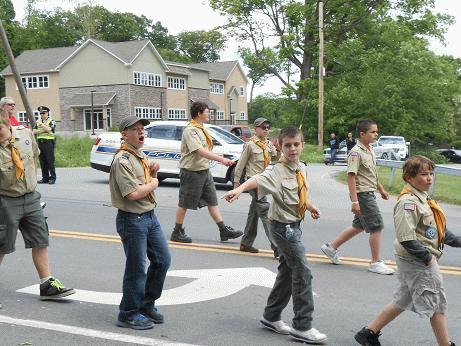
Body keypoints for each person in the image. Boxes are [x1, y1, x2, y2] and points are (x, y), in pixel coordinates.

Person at [223, 126, 327, 344]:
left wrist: (309, 206)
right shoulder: (276, 170)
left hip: (295, 225)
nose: (292, 149)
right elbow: (258, 179)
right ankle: (302, 326)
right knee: (303, 273)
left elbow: (297, 193)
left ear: (302, 145)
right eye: (287, 145)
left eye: (296, 144)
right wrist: (238, 189)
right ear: (280, 146)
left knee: (287, 273)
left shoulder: (301, 168)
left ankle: (271, 316)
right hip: (283, 229)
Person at [354, 155, 460, 346]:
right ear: (409, 178)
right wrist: (428, 259)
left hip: (415, 259)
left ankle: (368, 333)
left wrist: (458, 241)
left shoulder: (423, 198)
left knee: (403, 298)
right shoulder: (407, 203)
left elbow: (436, 231)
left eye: (431, 173)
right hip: (417, 261)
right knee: (436, 304)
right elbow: (406, 237)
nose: (429, 178)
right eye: (423, 174)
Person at [0, 109, 75, 308]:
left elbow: (34, 155)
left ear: (8, 124)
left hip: (31, 196)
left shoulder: (24, 134)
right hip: (5, 200)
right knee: (1, 245)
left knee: (40, 239)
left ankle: (47, 284)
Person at [109, 116, 171, 330]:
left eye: (142, 129)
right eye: (135, 129)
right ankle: (128, 313)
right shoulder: (122, 160)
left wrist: (151, 173)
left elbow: (142, 184)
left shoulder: (138, 155)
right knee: (136, 269)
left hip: (149, 217)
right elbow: (133, 194)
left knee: (163, 260)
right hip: (132, 220)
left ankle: (146, 304)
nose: (141, 132)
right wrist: (155, 181)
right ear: (124, 134)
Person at [321, 119, 395, 275]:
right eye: (373, 132)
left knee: (359, 226)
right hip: (363, 195)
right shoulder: (356, 152)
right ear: (362, 134)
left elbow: (371, 174)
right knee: (376, 226)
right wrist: (355, 201)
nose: (376, 134)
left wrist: (381, 189)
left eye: (376, 131)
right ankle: (375, 262)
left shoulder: (369, 149)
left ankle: (331, 248)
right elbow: (351, 177)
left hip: (369, 192)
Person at [170, 101, 243, 243]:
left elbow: (206, 149)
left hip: (204, 171)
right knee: (185, 203)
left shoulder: (202, 129)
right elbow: (200, 151)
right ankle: (177, 231)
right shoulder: (191, 130)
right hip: (191, 172)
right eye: (207, 112)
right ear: (199, 114)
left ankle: (223, 230)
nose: (209, 114)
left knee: (212, 201)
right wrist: (221, 160)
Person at [233, 117, 280, 256]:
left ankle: (246, 243)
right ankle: (277, 247)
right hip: (253, 181)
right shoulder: (250, 145)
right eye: (263, 127)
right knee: (265, 211)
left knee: (254, 212)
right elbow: (240, 164)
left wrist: (278, 150)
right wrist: (236, 183)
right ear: (256, 129)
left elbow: (276, 159)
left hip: (265, 180)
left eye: (267, 127)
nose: (266, 130)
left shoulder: (268, 144)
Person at [33, 106, 56, 184]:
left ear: (47, 113)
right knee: (42, 161)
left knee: (50, 161)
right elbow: (34, 131)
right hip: (40, 143)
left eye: (43, 113)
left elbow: (49, 129)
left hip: (48, 142)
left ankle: (52, 178)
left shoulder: (51, 121)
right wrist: (44, 129)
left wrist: (42, 126)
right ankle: (45, 178)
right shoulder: (38, 121)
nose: (42, 115)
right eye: (41, 113)